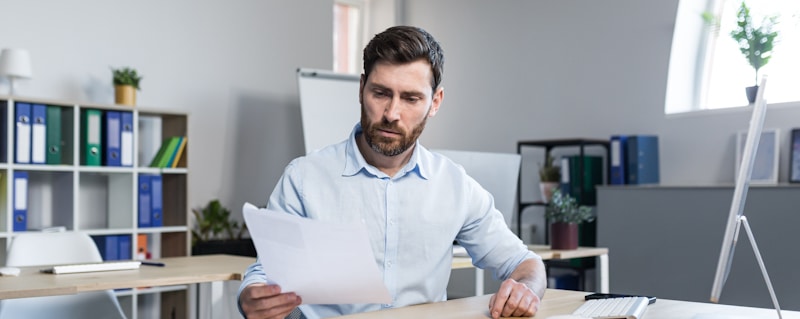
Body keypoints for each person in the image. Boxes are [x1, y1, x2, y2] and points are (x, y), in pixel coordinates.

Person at [238, 25, 546, 319]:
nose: (391, 114)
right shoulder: (305, 178)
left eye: (411, 98)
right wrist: (252, 297)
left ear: (435, 102)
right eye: (381, 93)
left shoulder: (455, 186)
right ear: (361, 89)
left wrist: (526, 289)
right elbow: (266, 272)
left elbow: (524, 263)